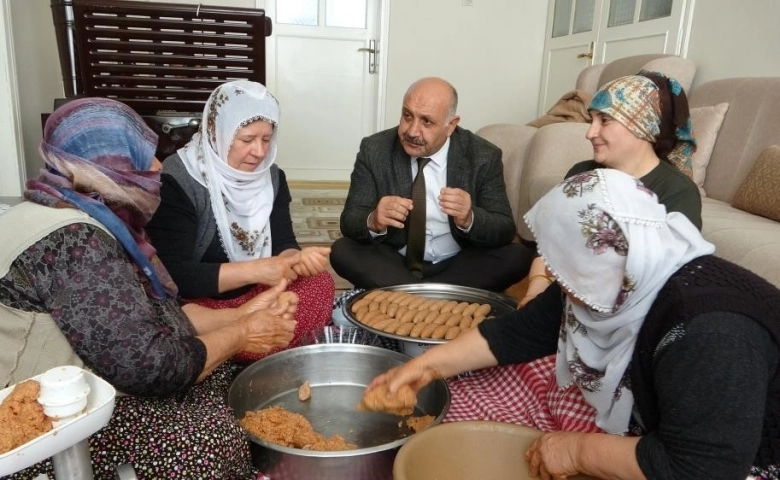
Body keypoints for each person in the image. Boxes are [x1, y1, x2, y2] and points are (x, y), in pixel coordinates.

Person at [367, 168, 780, 479]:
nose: (556, 280)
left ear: (602, 259)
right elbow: (515, 333)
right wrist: (423, 367)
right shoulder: (616, 277)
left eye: (567, 270)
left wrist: (579, 451)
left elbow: (702, 469)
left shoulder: (710, 333)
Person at [0, 97, 298, 479]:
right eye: (143, 156)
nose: (157, 167)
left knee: (230, 383)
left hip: (107, 369)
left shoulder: (82, 211)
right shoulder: (75, 242)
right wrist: (243, 333)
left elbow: (159, 312)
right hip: (42, 418)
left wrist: (243, 313)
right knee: (208, 440)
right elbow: (153, 371)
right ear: (109, 164)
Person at [147, 80, 334, 363]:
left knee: (319, 283)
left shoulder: (271, 178)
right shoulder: (178, 179)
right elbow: (175, 275)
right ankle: (250, 341)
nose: (259, 152)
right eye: (247, 139)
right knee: (170, 319)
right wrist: (256, 270)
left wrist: (295, 260)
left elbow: (283, 243)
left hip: (261, 296)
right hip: (204, 305)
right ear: (216, 133)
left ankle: (246, 343)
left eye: (266, 139)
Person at [330, 77, 534, 292]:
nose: (412, 131)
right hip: (395, 260)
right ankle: (440, 297)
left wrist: (469, 218)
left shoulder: (483, 155)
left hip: (459, 262)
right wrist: (374, 220)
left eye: (426, 122)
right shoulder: (375, 149)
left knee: (516, 256)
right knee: (343, 250)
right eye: (407, 116)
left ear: (451, 125)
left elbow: (503, 228)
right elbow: (350, 221)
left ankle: (406, 297)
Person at [520, 71, 703, 307]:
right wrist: (533, 295)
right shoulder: (581, 173)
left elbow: (666, 280)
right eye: (591, 120)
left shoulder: (677, 191)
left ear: (641, 125)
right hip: (563, 301)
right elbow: (549, 250)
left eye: (604, 120)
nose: (590, 133)